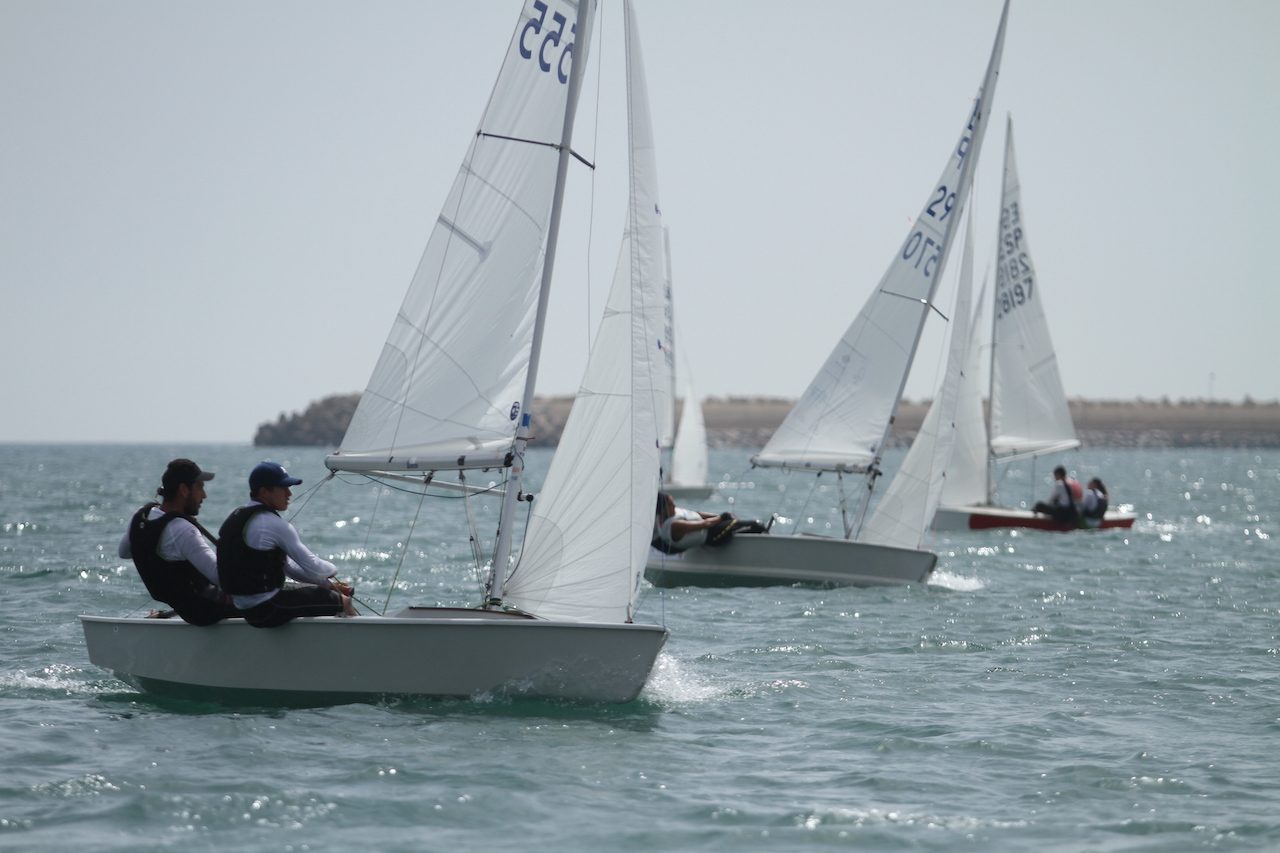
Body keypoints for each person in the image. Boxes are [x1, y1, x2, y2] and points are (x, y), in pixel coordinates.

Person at [217, 461, 356, 627]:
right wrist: (333, 570)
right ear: (264, 492)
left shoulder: (238, 518)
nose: (289, 494)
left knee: (321, 592)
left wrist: (328, 585)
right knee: (344, 602)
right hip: (268, 606)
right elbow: (316, 569)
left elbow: (290, 568)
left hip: (244, 607)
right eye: (283, 488)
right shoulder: (271, 523)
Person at [118, 458, 240, 625]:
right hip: (206, 612)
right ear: (184, 490)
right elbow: (223, 578)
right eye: (200, 488)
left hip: (185, 606)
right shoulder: (182, 530)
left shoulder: (142, 516)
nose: (204, 495)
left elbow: (123, 552)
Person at [651, 492, 767, 554]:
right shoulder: (674, 526)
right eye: (670, 504)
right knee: (757, 525)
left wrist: (717, 517)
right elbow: (705, 524)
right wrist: (721, 517)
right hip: (712, 537)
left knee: (737, 524)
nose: (674, 505)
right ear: (662, 510)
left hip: (712, 528)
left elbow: (697, 514)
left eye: (673, 502)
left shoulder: (673, 513)